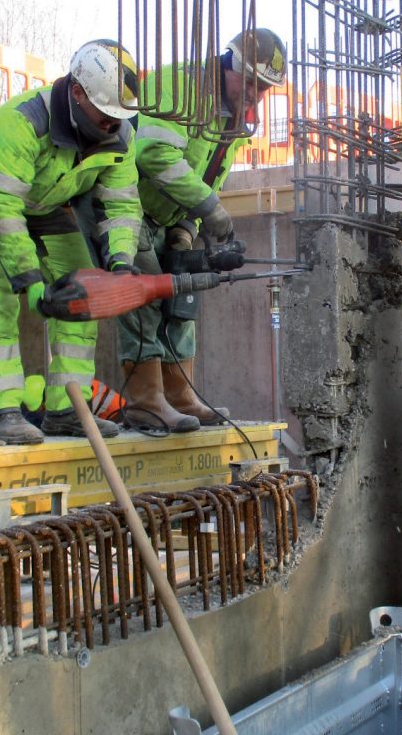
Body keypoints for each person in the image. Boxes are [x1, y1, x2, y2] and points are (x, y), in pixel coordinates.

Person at [0, 40, 142, 445]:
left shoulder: (121, 134)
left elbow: (121, 205)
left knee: (81, 286)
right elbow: (1, 205)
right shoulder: (23, 121)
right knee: (0, 287)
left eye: (119, 118)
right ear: (76, 93)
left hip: (44, 201)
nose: (112, 126)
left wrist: (121, 264)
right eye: (105, 116)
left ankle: (67, 409)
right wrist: (31, 282)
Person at [118, 27, 287, 432]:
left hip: (165, 217)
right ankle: (145, 401)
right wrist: (208, 208)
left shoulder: (232, 123)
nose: (254, 94)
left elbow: (205, 176)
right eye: (250, 82)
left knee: (183, 296)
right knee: (145, 298)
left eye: (263, 89)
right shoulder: (179, 87)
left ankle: (180, 396)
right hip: (125, 203)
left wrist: (185, 230)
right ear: (227, 64)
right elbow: (155, 156)